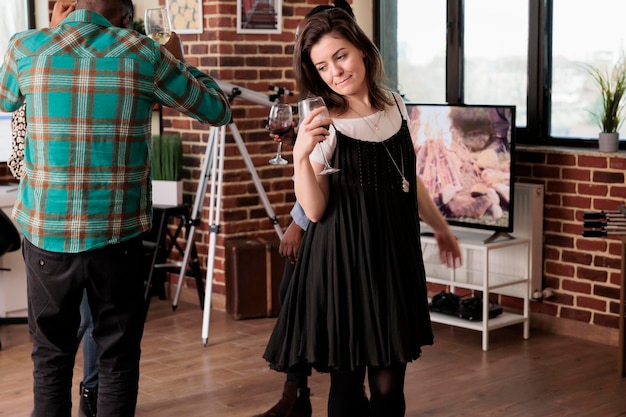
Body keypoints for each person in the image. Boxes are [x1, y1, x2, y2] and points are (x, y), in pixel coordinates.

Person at [0, 0, 231, 415]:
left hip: (47, 237)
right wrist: (178, 62)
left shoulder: (24, 47)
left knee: (50, 358)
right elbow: (218, 109)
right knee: (117, 357)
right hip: (117, 238)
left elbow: (5, 100)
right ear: (125, 15)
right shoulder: (144, 53)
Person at [262, 8, 461, 417]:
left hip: (392, 262)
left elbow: (409, 179)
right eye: (322, 66)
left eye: (341, 56)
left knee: (389, 389)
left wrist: (441, 228)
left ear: (363, 52)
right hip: (343, 266)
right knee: (348, 388)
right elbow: (315, 209)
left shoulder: (396, 106)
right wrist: (301, 156)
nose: (334, 72)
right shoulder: (323, 121)